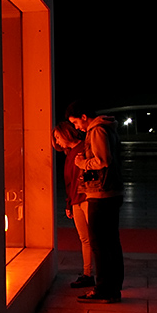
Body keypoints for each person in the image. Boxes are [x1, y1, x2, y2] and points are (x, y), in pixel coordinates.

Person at [66, 103, 124, 304]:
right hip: (111, 192)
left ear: (83, 116)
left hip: (102, 193)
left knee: (99, 243)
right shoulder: (107, 129)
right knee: (111, 243)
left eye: (75, 122)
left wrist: (82, 163)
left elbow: (103, 160)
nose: (76, 128)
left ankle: (103, 288)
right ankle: (113, 287)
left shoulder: (97, 130)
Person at [52, 121, 95, 289]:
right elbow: (69, 181)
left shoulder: (84, 148)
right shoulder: (69, 154)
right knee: (85, 238)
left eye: (57, 137)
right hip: (76, 200)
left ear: (65, 133)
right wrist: (69, 203)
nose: (57, 141)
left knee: (91, 238)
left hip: (87, 198)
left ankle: (90, 273)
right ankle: (87, 273)